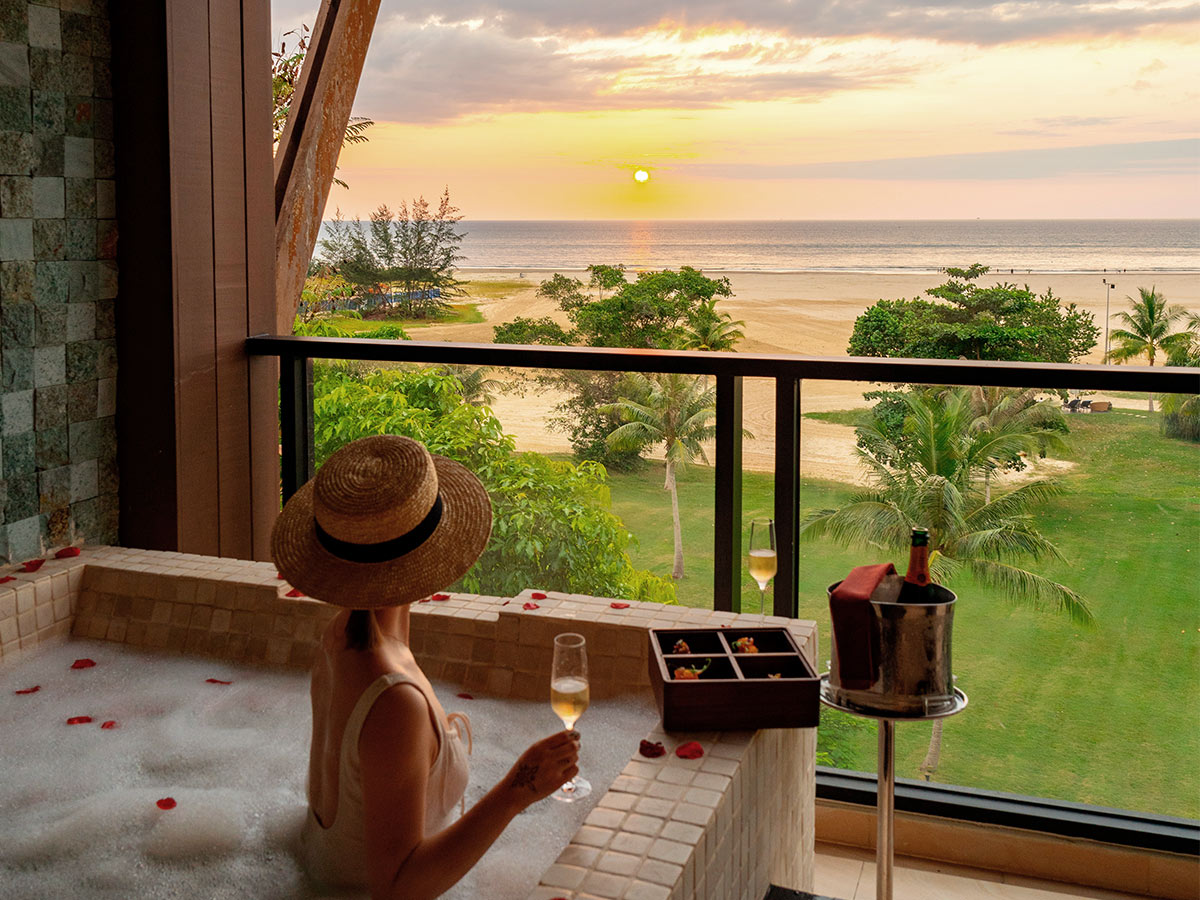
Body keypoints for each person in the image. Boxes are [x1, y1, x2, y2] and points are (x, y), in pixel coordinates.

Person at [273, 435, 579, 898]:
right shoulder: (395, 702)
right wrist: (518, 790)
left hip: (319, 872)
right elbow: (397, 888)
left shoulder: (343, 634)